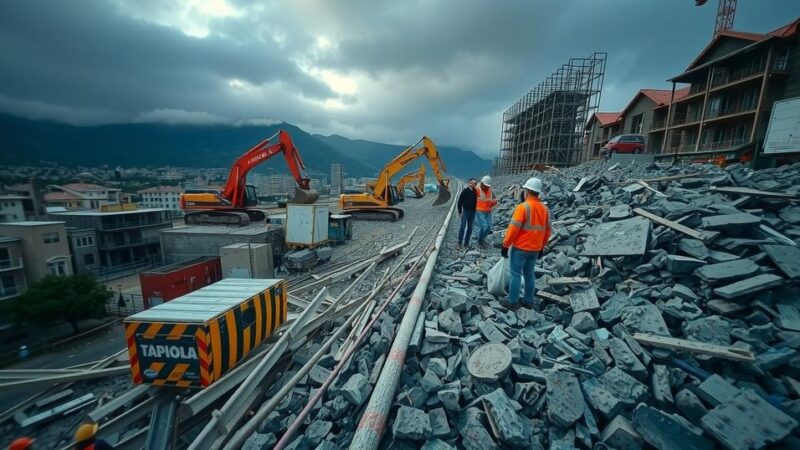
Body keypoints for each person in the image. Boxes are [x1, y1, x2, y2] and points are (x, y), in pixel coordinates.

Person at [501, 177, 551, 309]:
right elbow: (547, 232)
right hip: (535, 249)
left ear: (527, 191)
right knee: (529, 274)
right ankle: (528, 301)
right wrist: (541, 247)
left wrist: (505, 245)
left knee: (515, 274)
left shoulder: (523, 207)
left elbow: (513, 229)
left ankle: (512, 302)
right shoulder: (545, 210)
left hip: (520, 248)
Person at [474, 175, 496, 248]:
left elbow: (493, 199)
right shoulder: (477, 188)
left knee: (489, 227)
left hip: (488, 211)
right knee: (484, 226)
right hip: (479, 211)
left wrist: (494, 202)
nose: (486, 187)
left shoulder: (490, 189)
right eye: (485, 185)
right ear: (482, 183)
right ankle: (480, 241)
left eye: (487, 186)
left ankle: (482, 238)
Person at [456, 178, 478, 249]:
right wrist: (460, 211)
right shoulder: (465, 191)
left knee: (470, 228)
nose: (473, 184)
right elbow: (460, 201)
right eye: (472, 183)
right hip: (465, 211)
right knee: (462, 226)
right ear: (469, 183)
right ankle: (459, 242)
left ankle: (466, 242)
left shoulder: (475, 191)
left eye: (475, 183)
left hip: (473, 212)